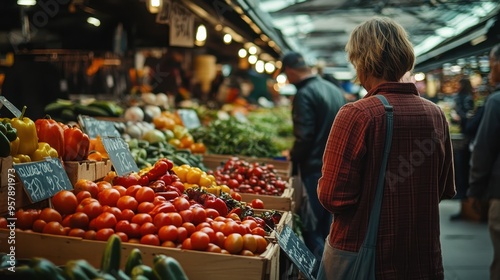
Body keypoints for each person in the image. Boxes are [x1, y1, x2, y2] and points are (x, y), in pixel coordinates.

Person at [317, 17, 456, 279]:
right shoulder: (436, 115)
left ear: (361, 60)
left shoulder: (356, 114)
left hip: (366, 260)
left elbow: (333, 197)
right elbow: (445, 188)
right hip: (421, 259)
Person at [281, 51, 346, 260]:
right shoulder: (333, 89)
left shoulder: (305, 94)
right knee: (327, 228)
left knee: (311, 229)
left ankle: (318, 271)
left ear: (290, 71)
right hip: (334, 168)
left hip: (314, 170)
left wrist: (292, 157)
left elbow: (305, 136)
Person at [468, 43, 500, 280]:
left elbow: (484, 149)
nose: (490, 71)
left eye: (491, 64)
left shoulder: (496, 102)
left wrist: (475, 190)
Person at [450, 78, 475, 220]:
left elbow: (468, 117)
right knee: (460, 166)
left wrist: (460, 118)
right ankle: (461, 194)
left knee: (462, 167)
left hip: (466, 137)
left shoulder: (466, 99)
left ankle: (462, 195)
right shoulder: (464, 98)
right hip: (464, 136)